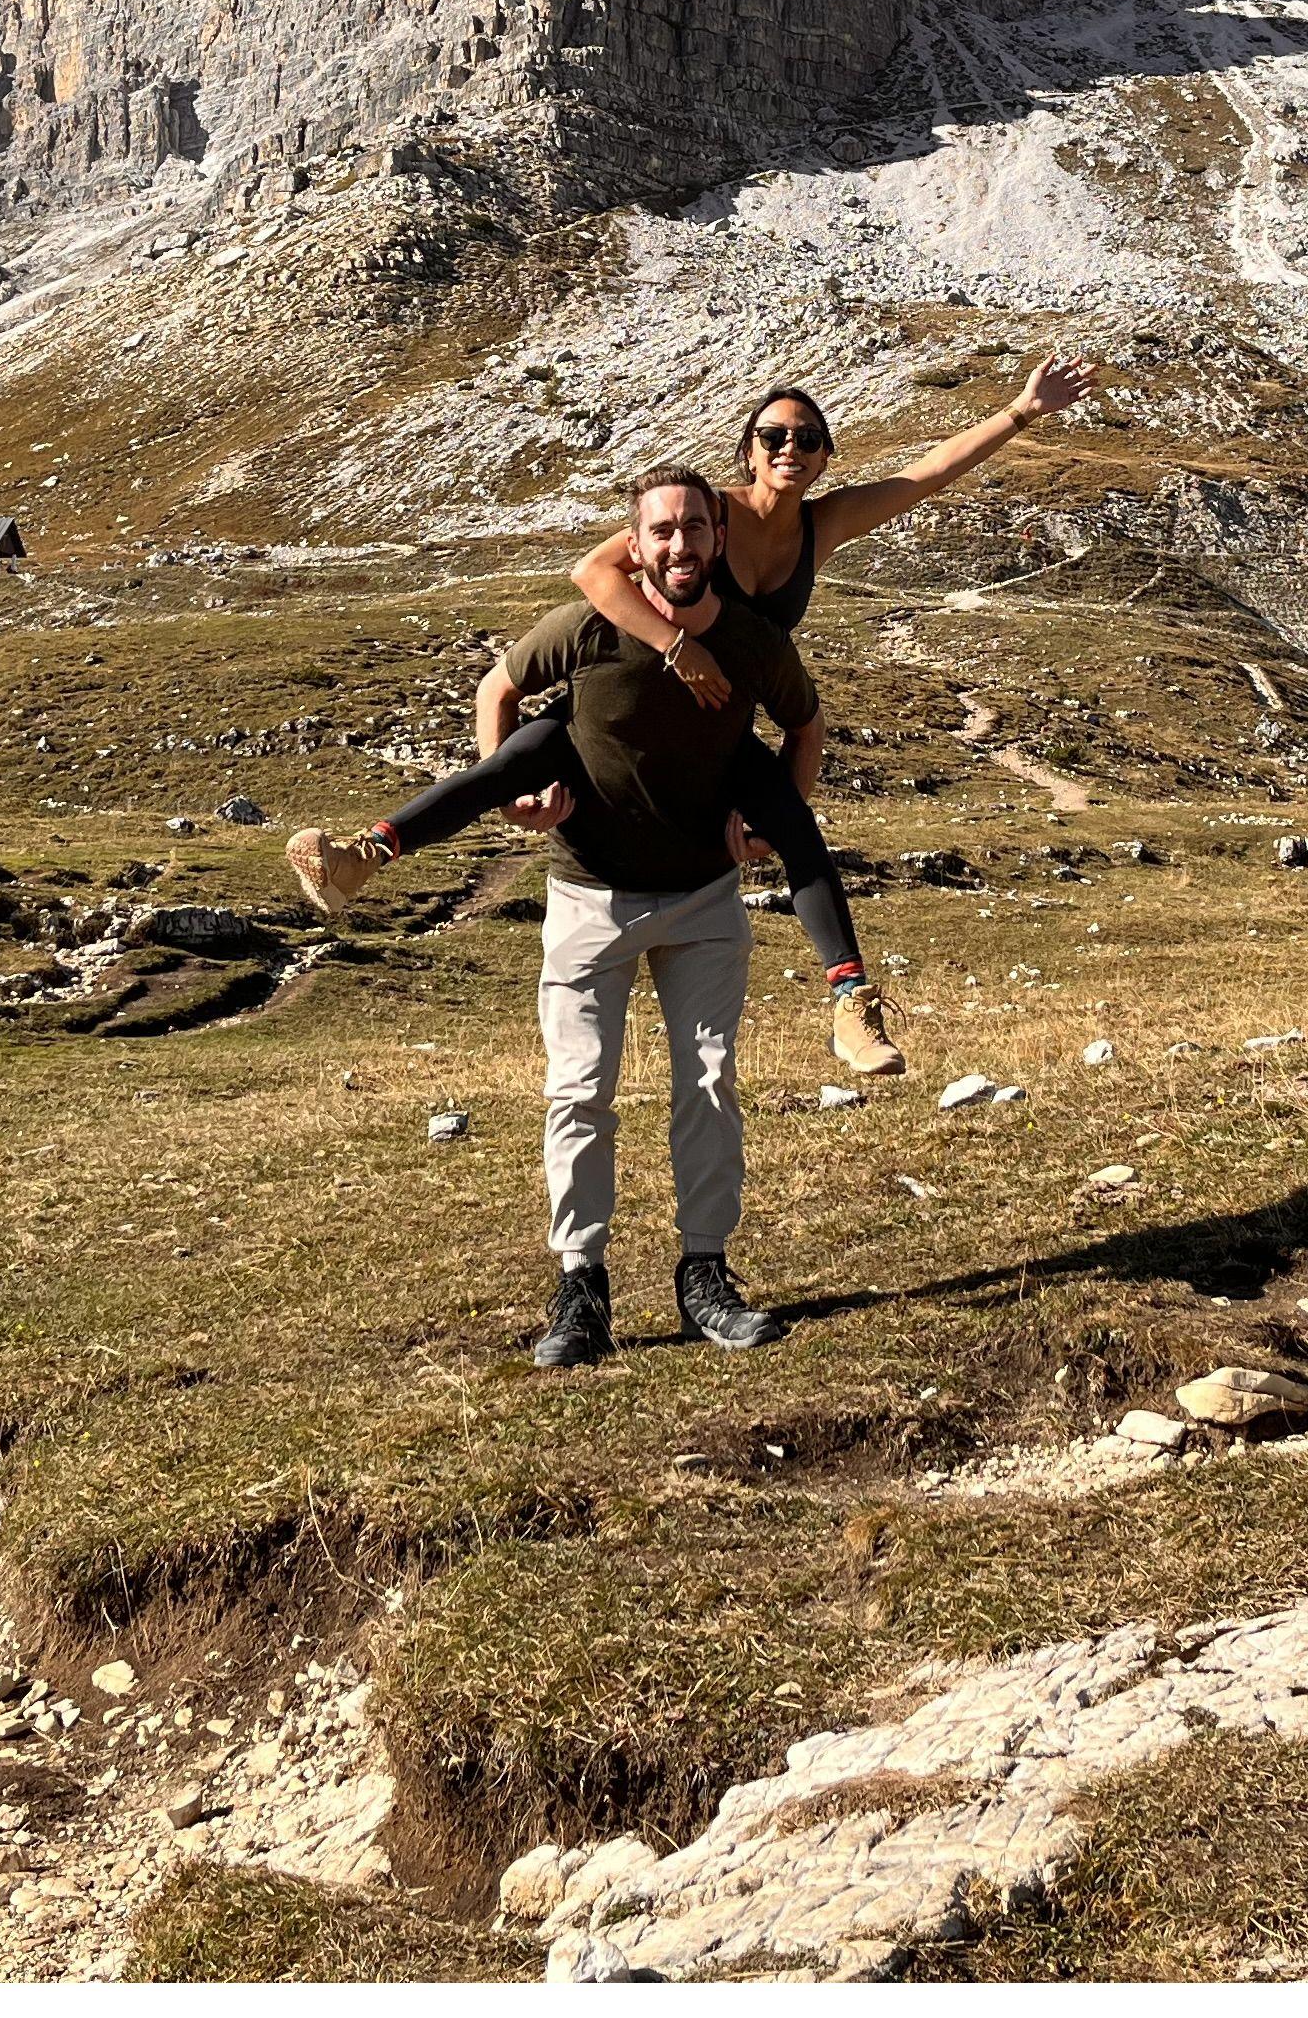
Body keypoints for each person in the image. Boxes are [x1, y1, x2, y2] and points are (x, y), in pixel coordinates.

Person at [286, 354, 1095, 1081]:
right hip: (622, 700)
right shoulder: (707, 515)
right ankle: (364, 856)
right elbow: (592, 571)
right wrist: (676, 647)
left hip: (721, 726)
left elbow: (927, 475)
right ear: (747, 449)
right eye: (774, 434)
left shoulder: (824, 524)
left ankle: (853, 1003)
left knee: (795, 824)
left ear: (823, 457)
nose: (791, 448)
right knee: (510, 764)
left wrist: (1021, 412)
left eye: (808, 438)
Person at [379, 468, 821, 1368]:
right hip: (588, 895)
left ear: (719, 540)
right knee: (580, 1091)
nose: (681, 545)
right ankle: (581, 1285)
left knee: (708, 1085)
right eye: (662, 532)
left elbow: (807, 723)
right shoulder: (585, 627)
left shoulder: (751, 638)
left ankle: (705, 1276)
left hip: (703, 899)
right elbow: (496, 688)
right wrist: (513, 790)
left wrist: (772, 832)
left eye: (696, 528)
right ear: (636, 545)